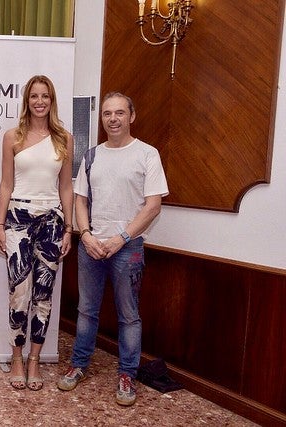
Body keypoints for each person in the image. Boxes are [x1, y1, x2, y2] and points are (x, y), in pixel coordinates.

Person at [57, 92, 169, 406]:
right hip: (91, 247)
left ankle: (127, 375)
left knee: (129, 316)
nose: (113, 119)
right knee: (86, 311)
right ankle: (78, 365)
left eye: (119, 113)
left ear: (131, 116)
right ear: (102, 118)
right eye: (107, 113)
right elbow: (80, 200)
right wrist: (85, 235)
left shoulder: (147, 154)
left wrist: (121, 237)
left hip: (128, 248)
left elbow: (153, 206)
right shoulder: (92, 156)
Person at [0, 75, 74, 391]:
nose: (39, 102)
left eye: (45, 96)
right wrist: (0, 226)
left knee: (44, 293)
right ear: (26, 101)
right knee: (20, 291)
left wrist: (69, 229)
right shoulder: (12, 137)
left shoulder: (64, 138)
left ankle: (34, 359)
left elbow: (66, 187)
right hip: (18, 219)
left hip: (52, 221)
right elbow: (6, 184)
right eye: (34, 96)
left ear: (52, 101)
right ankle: (16, 356)